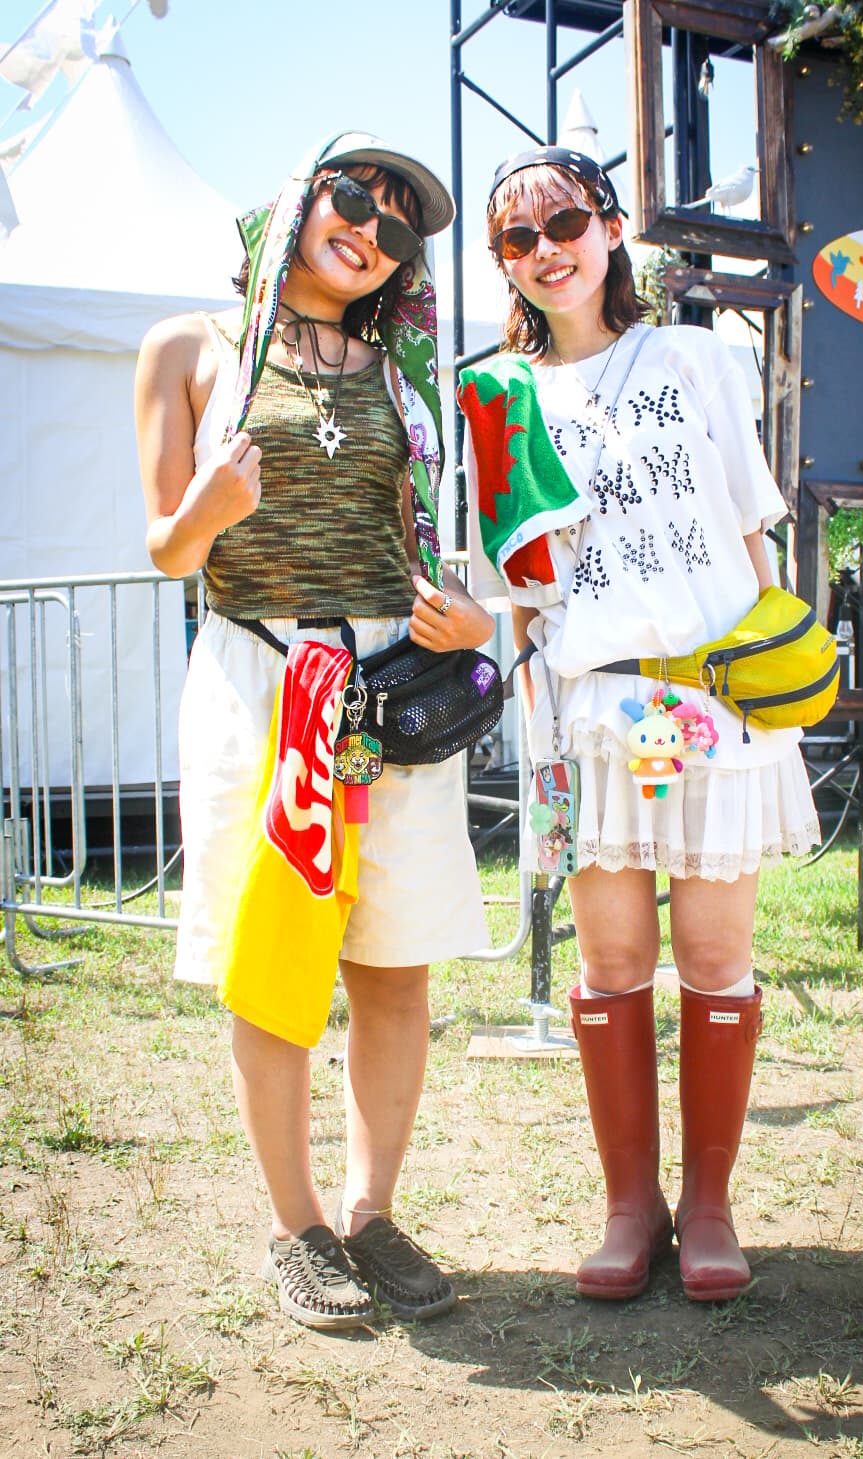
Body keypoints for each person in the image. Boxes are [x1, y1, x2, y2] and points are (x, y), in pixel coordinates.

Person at [135, 131, 495, 1330]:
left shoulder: (405, 375)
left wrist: (468, 618)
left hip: (388, 689)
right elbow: (167, 549)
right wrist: (208, 508)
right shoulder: (189, 347)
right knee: (275, 964)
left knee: (393, 964)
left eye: (398, 226)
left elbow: (426, 536)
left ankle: (369, 1212)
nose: (371, 230)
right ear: (301, 195)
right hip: (261, 674)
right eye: (355, 196)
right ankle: (295, 1229)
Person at [458, 146, 820, 1304]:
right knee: (612, 960)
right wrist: (539, 745)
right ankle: (630, 1206)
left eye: (563, 221)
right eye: (516, 238)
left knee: (712, 955)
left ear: (610, 228)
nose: (544, 250)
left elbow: (749, 530)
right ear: (502, 264)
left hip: (712, 697)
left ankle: (708, 1205)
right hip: (593, 709)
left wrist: (777, 674)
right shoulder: (497, 398)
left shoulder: (695, 357)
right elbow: (521, 596)